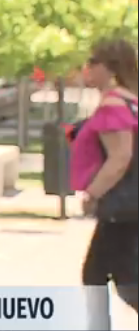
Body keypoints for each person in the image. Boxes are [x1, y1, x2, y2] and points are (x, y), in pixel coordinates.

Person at [71, 39, 138, 327]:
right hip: (128, 204)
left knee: (114, 277)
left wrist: (93, 193)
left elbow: (120, 157)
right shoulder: (131, 101)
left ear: (110, 68)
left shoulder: (114, 104)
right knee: (103, 274)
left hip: (121, 205)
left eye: (92, 62)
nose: (87, 68)